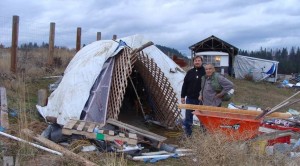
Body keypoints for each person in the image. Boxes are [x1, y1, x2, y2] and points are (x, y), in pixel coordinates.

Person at [181, 55, 205, 137]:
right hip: (190, 98)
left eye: (199, 60)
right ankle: (188, 134)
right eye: (196, 60)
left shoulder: (205, 72)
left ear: (201, 62)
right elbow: (185, 84)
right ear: (193, 62)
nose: (197, 62)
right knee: (188, 117)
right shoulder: (189, 72)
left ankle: (203, 135)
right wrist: (182, 96)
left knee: (202, 118)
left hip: (201, 100)